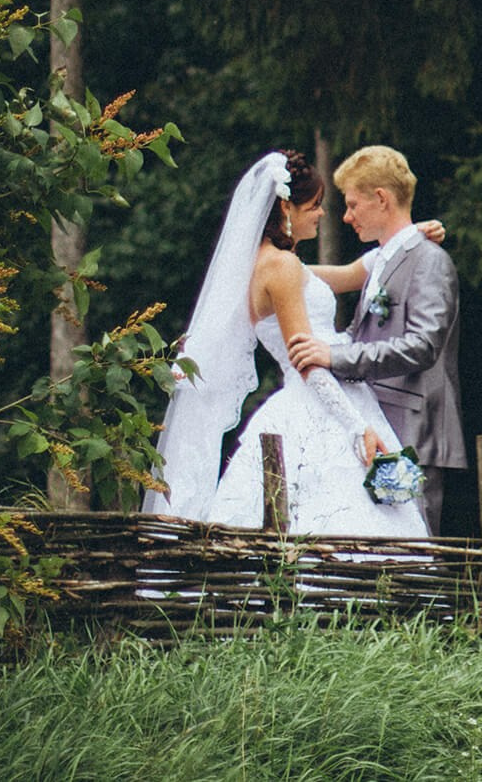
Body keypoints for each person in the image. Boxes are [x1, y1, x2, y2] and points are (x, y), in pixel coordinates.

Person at [141, 151, 430, 538]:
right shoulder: (282, 267)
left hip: (326, 389)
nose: (322, 214)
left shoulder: (265, 266)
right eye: (313, 206)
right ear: (284, 207)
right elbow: (305, 361)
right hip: (321, 396)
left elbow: (351, 274)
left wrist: (410, 237)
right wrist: (355, 425)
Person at [289, 145, 464, 534]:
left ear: (381, 199)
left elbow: (423, 345)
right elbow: (361, 330)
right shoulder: (384, 260)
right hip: (382, 418)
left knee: (413, 543)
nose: (347, 216)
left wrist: (335, 356)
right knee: (384, 541)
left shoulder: (430, 262)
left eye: (352, 204)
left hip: (413, 424)